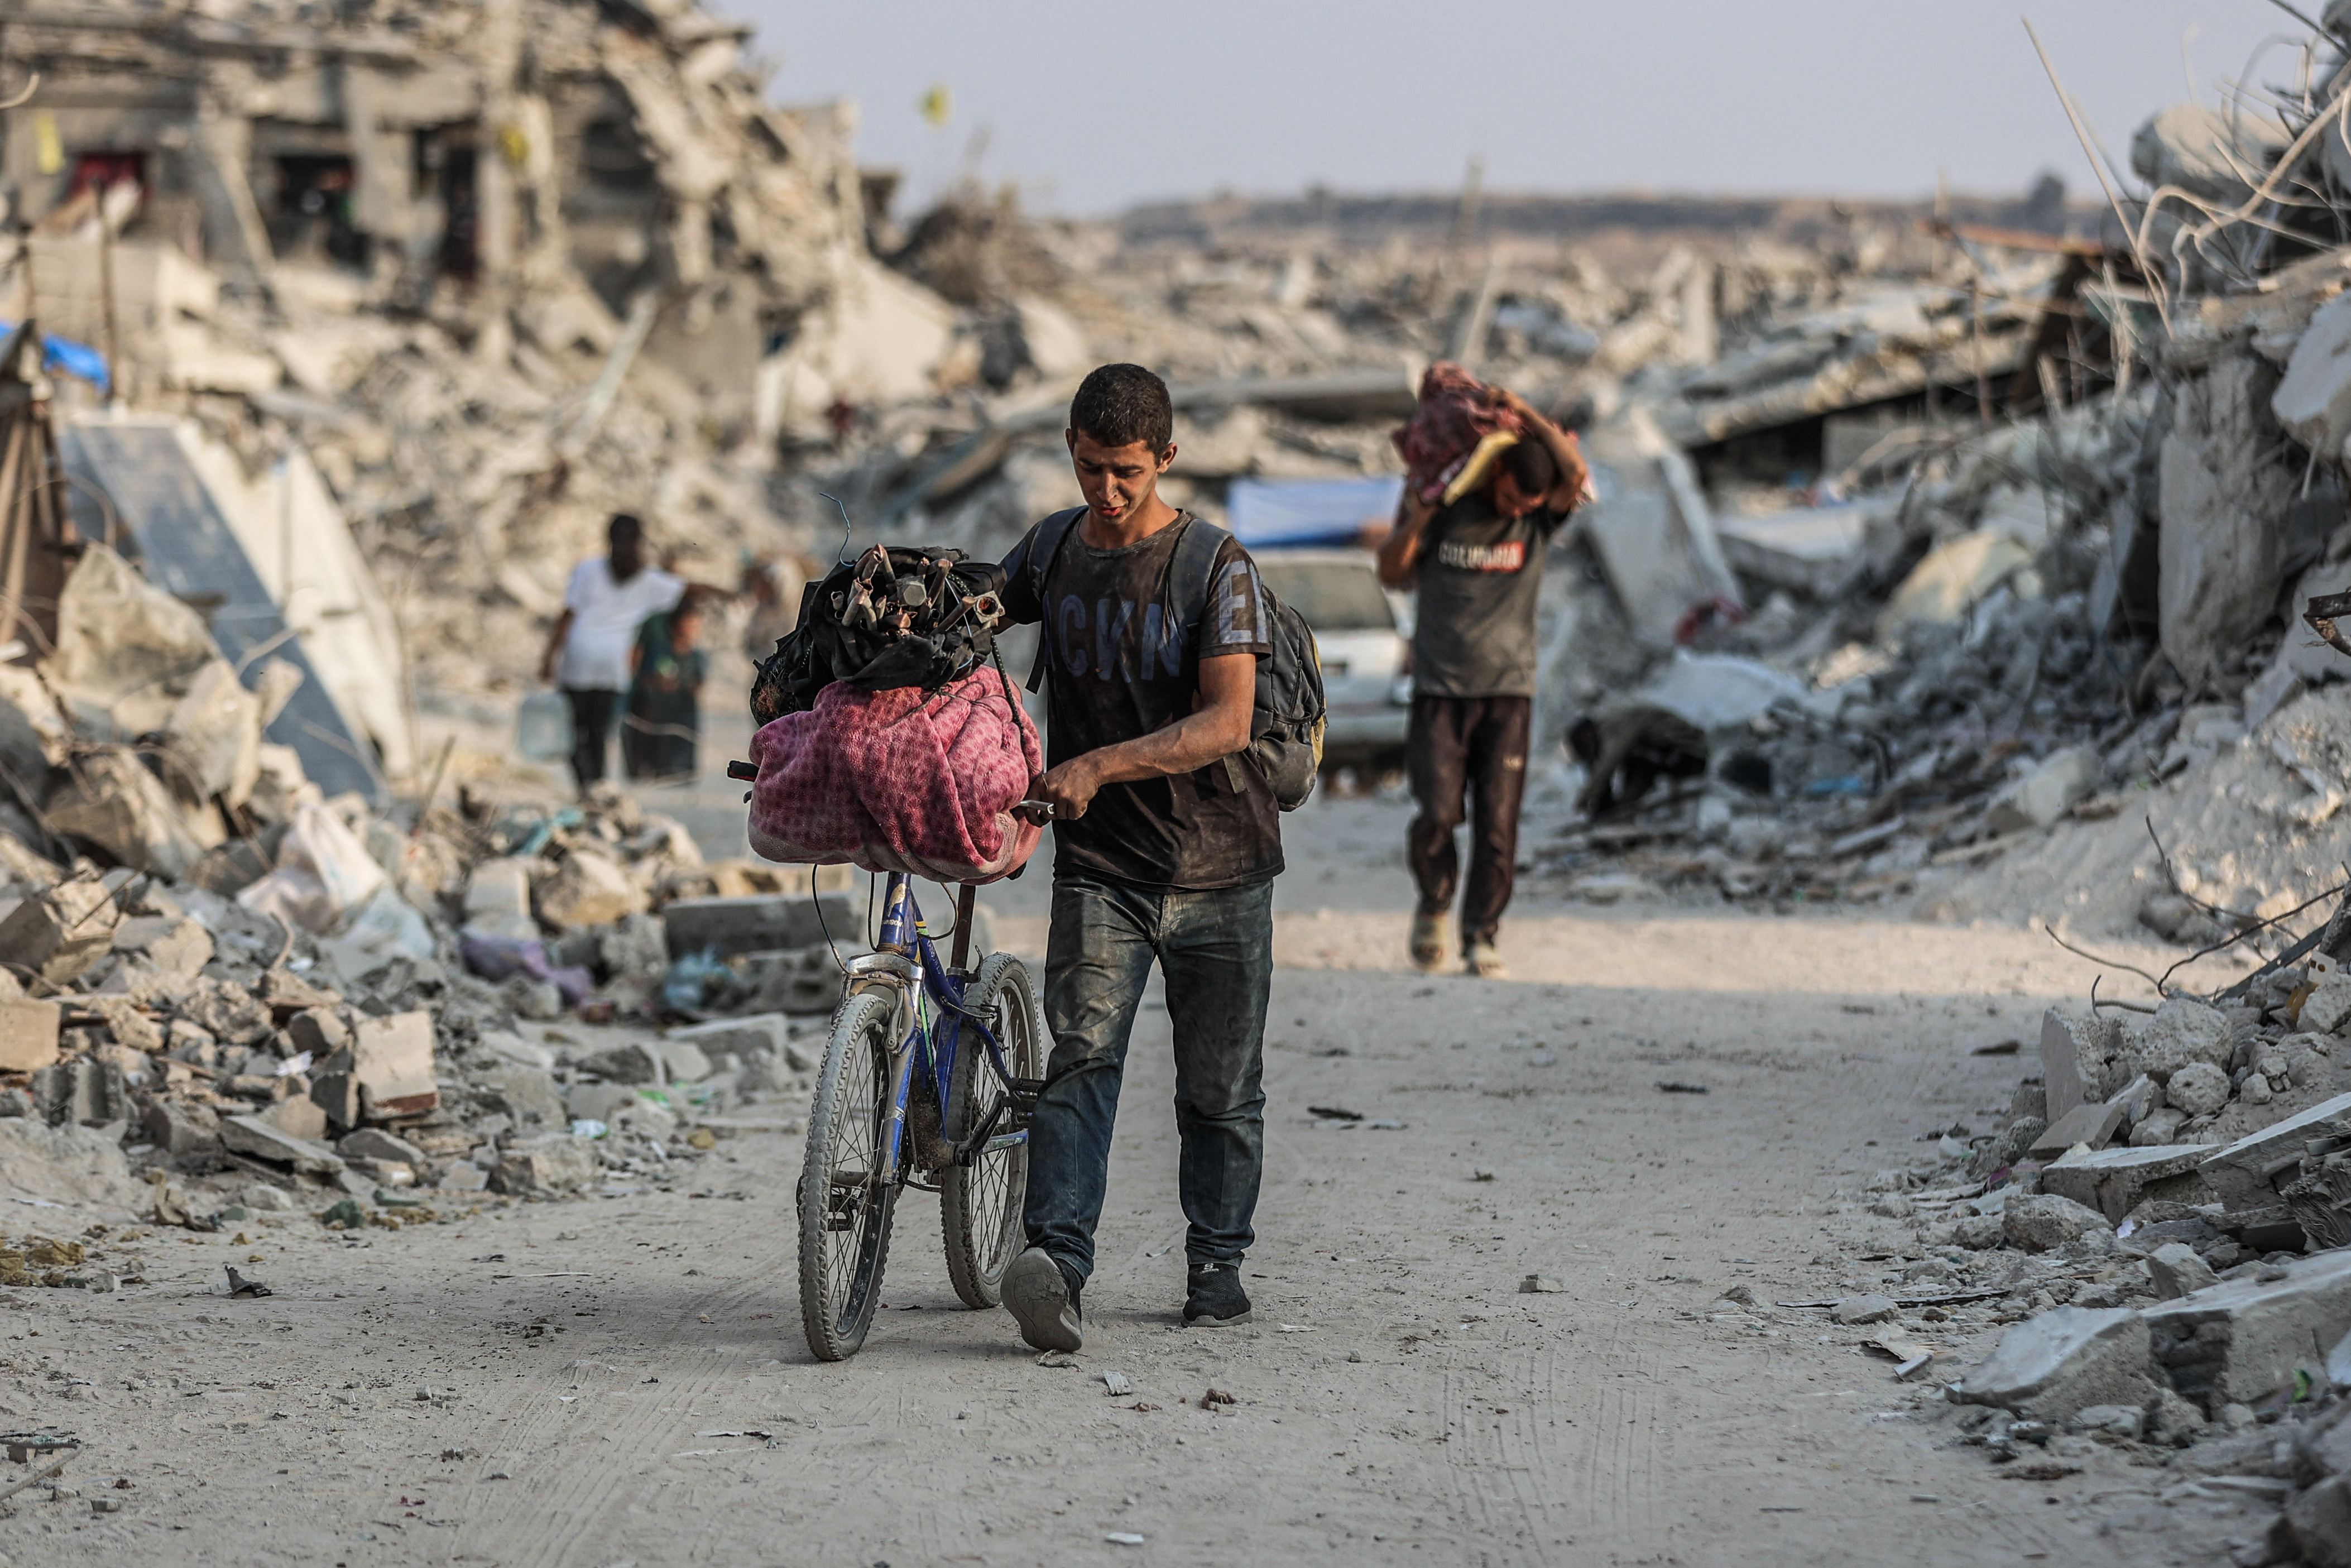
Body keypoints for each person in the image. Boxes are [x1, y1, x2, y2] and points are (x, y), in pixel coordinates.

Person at [994, 363, 1281, 1353]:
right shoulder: (1048, 550)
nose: (1105, 492)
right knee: (1077, 1062)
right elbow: (971, 622)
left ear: (1166, 456)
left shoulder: (1215, 566)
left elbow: (1228, 718)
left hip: (1222, 868)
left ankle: (1217, 1264)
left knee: (1219, 1087)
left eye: (1123, 471)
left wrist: (1096, 764)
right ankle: (1057, 1266)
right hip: (1102, 869)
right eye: (1087, 468)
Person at [1376, 386, 1590, 979]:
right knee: (1439, 813)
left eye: (1530, 503)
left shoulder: (1541, 520)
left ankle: (1481, 935)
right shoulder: (1445, 504)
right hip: (1439, 691)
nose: (1517, 510)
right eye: (1511, 497)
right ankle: (1433, 902)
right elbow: (1392, 573)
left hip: (1509, 693)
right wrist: (1417, 522)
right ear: (1495, 472)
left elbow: (1575, 470)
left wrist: (1523, 411)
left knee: (1498, 826)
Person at [539, 513, 685, 795]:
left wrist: (548, 657)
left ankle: (585, 786)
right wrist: (731, 594)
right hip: (613, 666)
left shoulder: (587, 569)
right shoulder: (647, 577)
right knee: (600, 733)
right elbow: (690, 589)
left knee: (574, 731)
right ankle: (598, 787)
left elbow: (568, 615)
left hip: (578, 661)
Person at [621, 592, 709, 783]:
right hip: (659, 706)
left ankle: (680, 770)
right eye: (688, 624)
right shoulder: (662, 651)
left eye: (695, 626)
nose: (692, 630)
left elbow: (699, 680)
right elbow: (650, 675)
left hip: (683, 706)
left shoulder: (697, 655)